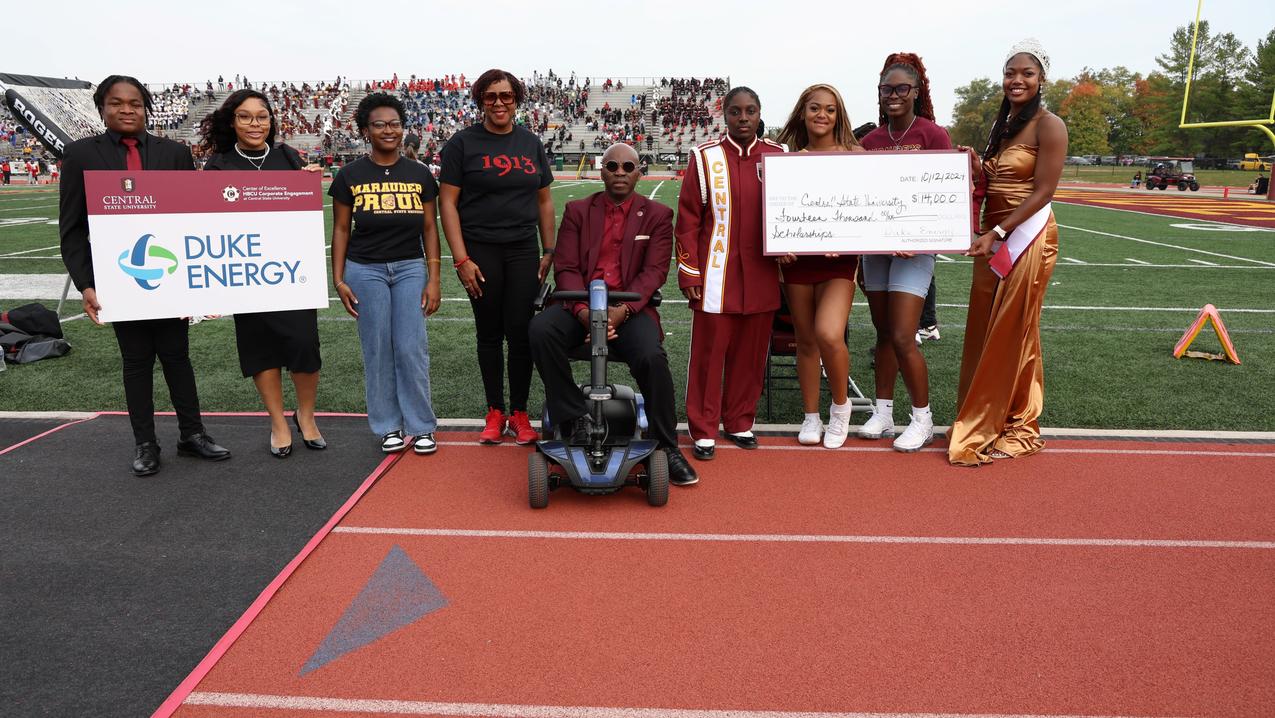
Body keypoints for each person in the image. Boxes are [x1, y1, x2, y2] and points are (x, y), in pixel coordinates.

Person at [59, 74, 230, 476]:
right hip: (119, 281)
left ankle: (192, 435)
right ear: (102, 108)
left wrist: (196, 282)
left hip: (169, 278)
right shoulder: (82, 154)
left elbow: (193, 220)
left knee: (177, 357)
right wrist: (87, 284)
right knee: (136, 362)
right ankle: (145, 443)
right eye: (116, 103)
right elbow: (71, 228)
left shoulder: (174, 153)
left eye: (134, 103)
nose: (126, 109)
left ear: (146, 108)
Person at [529, 143, 697, 486]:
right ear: (601, 169)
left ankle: (668, 446)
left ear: (639, 171)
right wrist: (584, 313)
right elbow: (567, 267)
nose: (620, 172)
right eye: (613, 166)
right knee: (540, 330)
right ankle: (573, 416)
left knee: (652, 357)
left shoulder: (658, 216)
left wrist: (620, 313)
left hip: (629, 310)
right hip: (581, 305)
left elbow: (653, 274)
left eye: (627, 167)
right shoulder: (578, 210)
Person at [948, 39, 1068, 467]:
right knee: (984, 328)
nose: (1016, 80)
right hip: (993, 237)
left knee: (1015, 330)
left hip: (1025, 237)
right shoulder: (1005, 125)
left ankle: (1020, 425)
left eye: (1026, 74)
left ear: (1041, 80)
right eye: (1010, 73)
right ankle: (984, 415)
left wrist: (999, 230)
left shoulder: (1050, 125)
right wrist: (972, 163)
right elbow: (995, 179)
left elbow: (1044, 191)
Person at [199, 89, 326, 458]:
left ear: (271, 121)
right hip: (247, 271)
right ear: (232, 121)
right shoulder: (219, 166)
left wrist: (310, 182)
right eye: (245, 116)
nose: (255, 123)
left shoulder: (288, 157)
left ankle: (306, 415)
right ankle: (278, 422)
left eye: (262, 116)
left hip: (291, 270)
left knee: (304, 345)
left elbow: (303, 209)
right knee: (261, 349)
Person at [439, 68, 555, 446]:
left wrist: (549, 249)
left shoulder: (531, 143)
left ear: (517, 99)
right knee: (488, 333)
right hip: (480, 250)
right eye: (491, 96)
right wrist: (461, 259)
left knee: (521, 334)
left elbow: (544, 199)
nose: (499, 103)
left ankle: (519, 413)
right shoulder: (461, 144)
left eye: (506, 96)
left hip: (522, 248)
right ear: (480, 101)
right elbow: (448, 203)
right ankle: (494, 411)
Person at [675, 86, 785, 461]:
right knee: (709, 355)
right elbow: (688, 219)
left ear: (759, 113)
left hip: (762, 274)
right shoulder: (704, 158)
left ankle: (739, 420)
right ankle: (703, 428)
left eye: (750, 111)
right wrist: (690, 273)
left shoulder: (777, 156)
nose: (743, 118)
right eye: (735, 111)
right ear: (724, 115)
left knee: (751, 355)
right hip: (714, 276)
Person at [330, 92, 443, 454]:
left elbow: (429, 228)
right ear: (366, 130)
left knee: (411, 347)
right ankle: (388, 425)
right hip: (365, 269)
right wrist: (339, 279)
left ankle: (421, 425)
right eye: (379, 124)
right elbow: (342, 230)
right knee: (377, 349)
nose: (388, 130)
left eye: (394, 124)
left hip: (410, 267)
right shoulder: (349, 175)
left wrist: (434, 277)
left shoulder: (420, 173)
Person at [856, 53, 952, 452]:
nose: (893, 95)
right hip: (876, 249)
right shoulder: (868, 142)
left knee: (902, 335)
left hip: (915, 251)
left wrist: (920, 234)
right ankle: (883, 410)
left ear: (915, 92)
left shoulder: (933, 135)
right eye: (886, 89)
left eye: (901, 89)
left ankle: (923, 417)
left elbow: (945, 194)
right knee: (882, 333)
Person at [773, 83, 863, 448]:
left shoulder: (856, 156)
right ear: (803, 113)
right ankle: (811, 416)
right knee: (805, 340)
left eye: (829, 109)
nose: (821, 115)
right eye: (814, 108)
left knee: (829, 333)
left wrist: (845, 238)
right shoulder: (787, 160)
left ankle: (841, 409)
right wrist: (779, 246)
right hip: (798, 262)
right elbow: (775, 211)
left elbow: (866, 210)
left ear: (838, 114)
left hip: (839, 264)